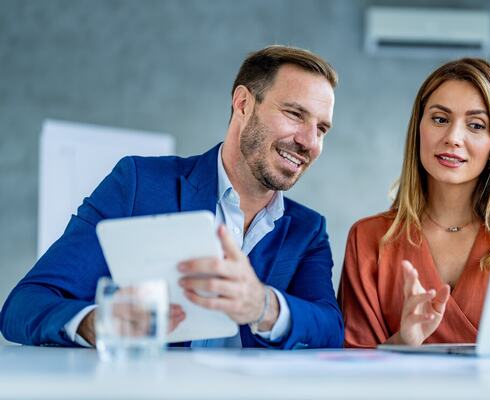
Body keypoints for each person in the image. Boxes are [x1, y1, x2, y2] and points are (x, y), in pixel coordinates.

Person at [0, 45, 343, 349]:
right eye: (295, 114)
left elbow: (330, 328)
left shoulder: (308, 230)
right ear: (243, 104)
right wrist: (99, 323)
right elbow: (24, 305)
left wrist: (263, 306)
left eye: (322, 128)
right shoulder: (138, 184)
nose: (309, 142)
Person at [339, 58, 490, 347]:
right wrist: (404, 341)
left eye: (476, 125)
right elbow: (354, 371)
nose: (453, 138)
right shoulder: (368, 239)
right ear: (418, 128)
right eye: (440, 119)